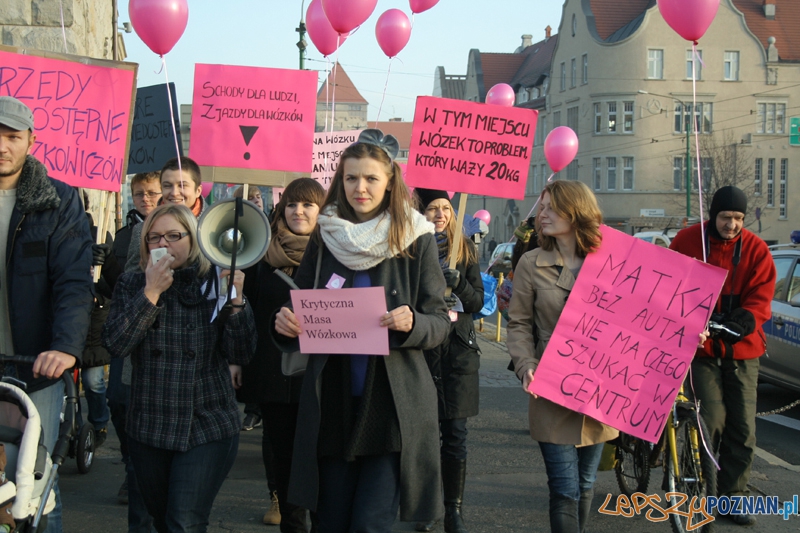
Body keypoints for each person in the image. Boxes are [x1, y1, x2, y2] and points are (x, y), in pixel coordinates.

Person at [273, 129, 451, 532]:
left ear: (390, 183)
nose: (360, 187)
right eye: (351, 178)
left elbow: (439, 322)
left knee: (371, 525)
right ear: (340, 181)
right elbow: (297, 301)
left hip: (391, 405)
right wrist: (284, 322)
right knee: (331, 522)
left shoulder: (416, 238)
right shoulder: (325, 234)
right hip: (332, 402)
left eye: (371, 178)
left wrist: (412, 323)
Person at [103, 203, 256, 532]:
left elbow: (242, 350)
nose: (163, 245)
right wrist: (151, 292)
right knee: (162, 519)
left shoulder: (213, 282)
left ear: (194, 239)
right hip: (150, 426)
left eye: (174, 236)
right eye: (154, 238)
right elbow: (117, 343)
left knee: (184, 521)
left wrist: (237, 302)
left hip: (206, 424)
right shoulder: (132, 284)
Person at [0, 95, 94, 533]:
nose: (2, 145)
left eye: (12, 137)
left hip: (33, 367)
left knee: (34, 485)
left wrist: (64, 347)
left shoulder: (57, 201)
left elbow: (73, 282)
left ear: (30, 142)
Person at [506, 181, 619, 533]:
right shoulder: (530, 262)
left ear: (576, 211)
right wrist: (526, 365)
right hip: (551, 387)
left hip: (601, 388)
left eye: (551, 207)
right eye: (541, 208)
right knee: (565, 488)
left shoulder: (613, 262)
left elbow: (647, 315)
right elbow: (519, 323)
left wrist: (689, 331)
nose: (542, 215)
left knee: (585, 485)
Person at [669, 185, 776, 527]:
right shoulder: (687, 242)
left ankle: (733, 497)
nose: (732, 224)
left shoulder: (757, 250)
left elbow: (761, 298)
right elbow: (665, 283)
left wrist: (740, 323)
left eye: (739, 218)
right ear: (713, 215)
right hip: (699, 349)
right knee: (709, 420)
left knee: (742, 428)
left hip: (742, 349)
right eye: (726, 217)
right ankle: (699, 484)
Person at [235, 178, 326, 531]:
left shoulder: (335, 255)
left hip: (317, 374)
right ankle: (289, 517)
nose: (298, 211)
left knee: (318, 455)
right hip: (272, 372)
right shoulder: (259, 253)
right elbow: (247, 313)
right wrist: (236, 359)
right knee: (281, 452)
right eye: (291, 204)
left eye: (307, 205)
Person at [413, 189, 484, 533]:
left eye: (445, 208)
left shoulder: (466, 251)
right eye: (432, 208)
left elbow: (477, 303)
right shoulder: (411, 249)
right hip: (423, 350)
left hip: (458, 354)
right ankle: (425, 505)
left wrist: (460, 288)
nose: (440, 213)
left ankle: (453, 508)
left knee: (455, 433)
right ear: (421, 213)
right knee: (424, 434)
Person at [125, 157, 205, 273]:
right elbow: (130, 279)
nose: (174, 193)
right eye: (167, 186)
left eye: (182, 186)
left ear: (198, 190)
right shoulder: (142, 230)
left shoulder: (213, 227)